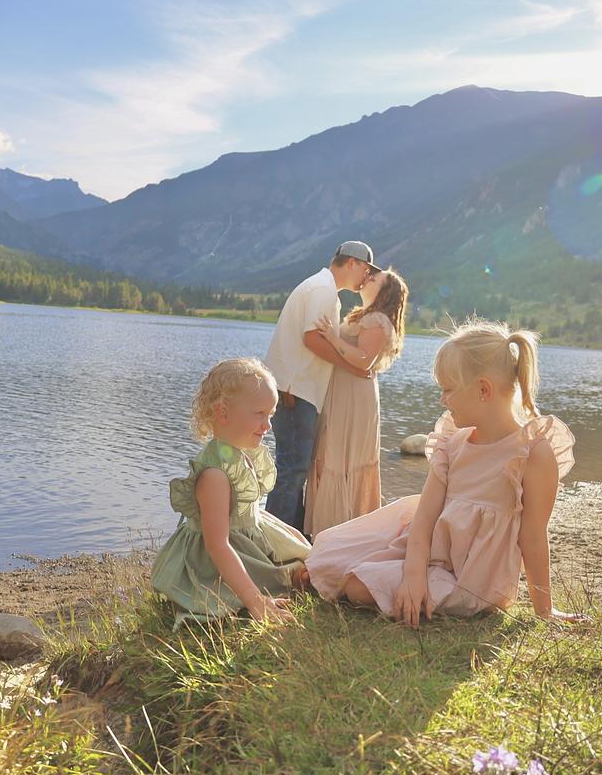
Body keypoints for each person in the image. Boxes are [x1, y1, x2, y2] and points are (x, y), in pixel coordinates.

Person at [306, 318, 585, 625]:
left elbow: (533, 536)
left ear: (483, 389)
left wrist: (545, 611)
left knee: (358, 587)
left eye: (448, 390)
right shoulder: (453, 442)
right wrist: (414, 576)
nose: (442, 400)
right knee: (333, 554)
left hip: (472, 580)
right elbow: (425, 519)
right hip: (430, 555)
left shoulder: (531, 453)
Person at [151, 358, 311, 627]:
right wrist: (256, 601)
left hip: (247, 541)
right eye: (260, 414)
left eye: (270, 415)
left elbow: (253, 513)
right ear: (223, 412)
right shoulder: (214, 475)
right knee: (290, 578)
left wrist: (293, 538)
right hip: (217, 564)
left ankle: (296, 573)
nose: (268, 425)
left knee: (307, 560)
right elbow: (217, 546)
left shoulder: (238, 453)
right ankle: (263, 588)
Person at [264, 241, 378, 532]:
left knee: (293, 470)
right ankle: (272, 543)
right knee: (293, 471)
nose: (366, 277)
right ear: (351, 263)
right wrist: (353, 368)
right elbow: (312, 338)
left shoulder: (324, 288)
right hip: (295, 393)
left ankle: (290, 539)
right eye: (366, 270)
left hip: (297, 392)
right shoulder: (322, 290)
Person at [303, 268, 409, 538]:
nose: (368, 278)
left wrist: (332, 337)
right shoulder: (364, 316)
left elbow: (364, 360)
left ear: (385, 293)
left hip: (353, 395)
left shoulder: (376, 319)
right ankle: (328, 531)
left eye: (375, 279)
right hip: (345, 389)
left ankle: (337, 532)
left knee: (340, 455)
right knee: (331, 452)